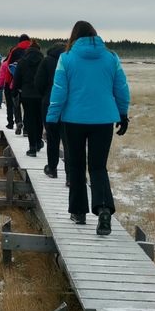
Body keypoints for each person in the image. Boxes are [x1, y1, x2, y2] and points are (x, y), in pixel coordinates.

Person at [46, 21, 130, 236]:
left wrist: (52, 117)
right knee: (98, 166)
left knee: (75, 165)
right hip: (103, 121)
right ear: (95, 35)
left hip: (73, 120)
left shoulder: (66, 58)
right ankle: (103, 209)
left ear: (74, 36)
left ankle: (79, 211)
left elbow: (59, 91)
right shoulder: (111, 58)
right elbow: (121, 87)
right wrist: (123, 114)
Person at [35, 42, 67, 180]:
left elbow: (39, 82)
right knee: (69, 141)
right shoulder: (69, 60)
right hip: (67, 105)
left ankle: (52, 169)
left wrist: (45, 96)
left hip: (49, 103)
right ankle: (70, 176)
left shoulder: (46, 61)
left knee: (52, 138)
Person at [14, 41, 45, 156]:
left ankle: (32, 147)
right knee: (39, 119)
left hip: (26, 95)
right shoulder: (43, 61)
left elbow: (17, 78)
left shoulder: (22, 61)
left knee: (29, 119)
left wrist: (14, 91)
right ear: (39, 50)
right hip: (40, 95)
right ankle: (37, 142)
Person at [3, 35, 31, 131]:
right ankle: (27, 129)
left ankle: (18, 121)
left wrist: (7, 82)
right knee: (27, 107)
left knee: (16, 103)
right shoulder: (33, 51)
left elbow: (8, 66)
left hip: (16, 82)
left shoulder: (15, 50)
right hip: (29, 84)